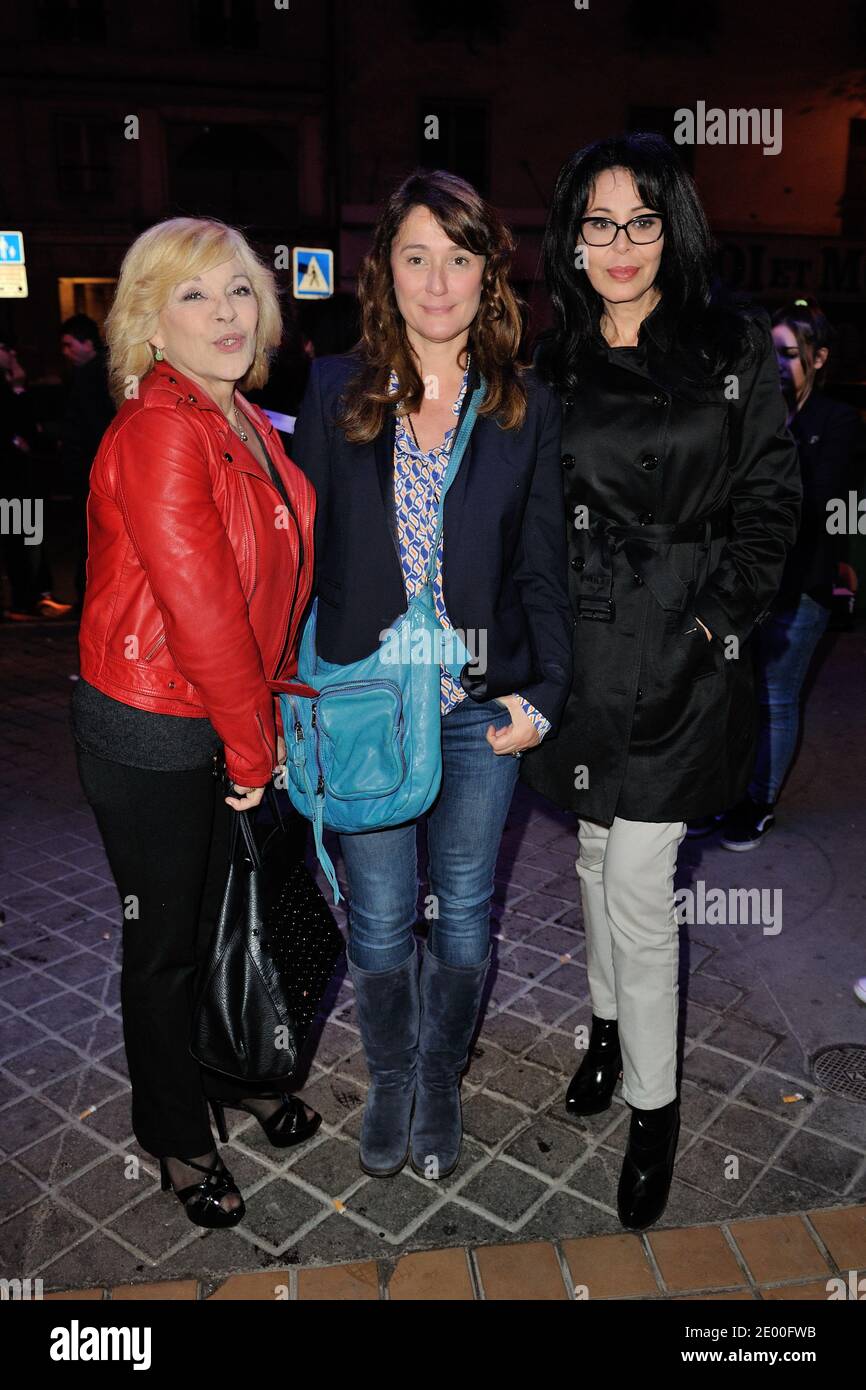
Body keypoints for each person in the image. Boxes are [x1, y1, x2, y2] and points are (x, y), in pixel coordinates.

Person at [520, 133, 801, 1230]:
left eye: (641, 220)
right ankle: (601, 1026)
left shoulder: (731, 346)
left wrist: (712, 619)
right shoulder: (551, 364)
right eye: (597, 223)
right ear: (570, 239)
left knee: (638, 879)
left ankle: (652, 1105)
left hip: (687, 650)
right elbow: (526, 518)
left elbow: (773, 503)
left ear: (670, 229)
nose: (619, 244)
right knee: (594, 852)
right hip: (583, 650)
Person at [290, 169, 573, 1182]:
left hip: (471, 707)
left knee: (461, 908)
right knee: (374, 915)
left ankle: (442, 1075)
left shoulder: (521, 405)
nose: (438, 281)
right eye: (416, 257)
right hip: (368, 704)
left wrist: (541, 695)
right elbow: (300, 562)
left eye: (459, 258)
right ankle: (392, 1075)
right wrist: (283, 704)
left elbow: (545, 564)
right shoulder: (332, 387)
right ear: (386, 271)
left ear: (488, 273)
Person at [70, 217, 321, 1228]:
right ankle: (173, 1132)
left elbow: (277, 578)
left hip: (223, 714)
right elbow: (203, 606)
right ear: (148, 322)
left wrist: (276, 703)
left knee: (226, 914)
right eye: (194, 295)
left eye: (240, 291)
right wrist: (254, 744)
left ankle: (229, 1067)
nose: (225, 312)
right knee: (164, 943)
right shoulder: (160, 428)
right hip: (154, 725)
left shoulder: (242, 417)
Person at [720, 297, 865, 850]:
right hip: (744, 578)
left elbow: (819, 502)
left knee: (776, 696)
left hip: (801, 582)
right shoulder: (751, 412)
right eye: (770, 352)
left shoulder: (837, 420)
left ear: (820, 357)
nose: (778, 364)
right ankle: (729, 792)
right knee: (736, 690)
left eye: (790, 353)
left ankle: (758, 802)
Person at [0, 337, 71, 620]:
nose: (11, 353)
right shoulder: (9, 389)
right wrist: (17, 391)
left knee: (30, 535)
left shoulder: (14, 385)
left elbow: (29, 428)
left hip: (21, 478)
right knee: (18, 538)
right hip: (9, 480)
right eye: (4, 349)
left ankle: (38, 595)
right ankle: (23, 600)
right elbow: (16, 426)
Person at [59, 314, 116, 613]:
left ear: (87, 343)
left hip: (91, 471)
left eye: (70, 345)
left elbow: (95, 427)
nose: (66, 352)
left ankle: (89, 601)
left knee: (91, 539)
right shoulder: (94, 373)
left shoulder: (93, 376)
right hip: (91, 469)